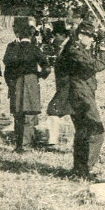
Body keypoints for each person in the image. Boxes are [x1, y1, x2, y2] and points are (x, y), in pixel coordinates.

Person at [57, 20, 105, 179]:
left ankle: (79, 171)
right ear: (81, 35)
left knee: (83, 132)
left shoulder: (76, 48)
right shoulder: (74, 50)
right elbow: (93, 66)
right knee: (96, 130)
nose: (92, 39)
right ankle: (86, 170)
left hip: (81, 94)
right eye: (90, 36)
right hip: (81, 95)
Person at [3, 17, 50, 153]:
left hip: (16, 83)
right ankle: (27, 144)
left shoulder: (11, 48)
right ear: (30, 34)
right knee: (29, 115)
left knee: (18, 114)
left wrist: (10, 82)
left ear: (17, 33)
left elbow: (7, 65)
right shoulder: (35, 49)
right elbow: (47, 68)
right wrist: (38, 76)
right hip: (31, 83)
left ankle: (19, 145)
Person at [44, 20, 72, 149]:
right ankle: (68, 140)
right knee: (73, 113)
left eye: (55, 36)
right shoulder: (63, 47)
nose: (54, 39)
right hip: (65, 85)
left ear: (62, 35)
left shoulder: (69, 47)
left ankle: (53, 140)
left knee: (52, 110)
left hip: (68, 85)